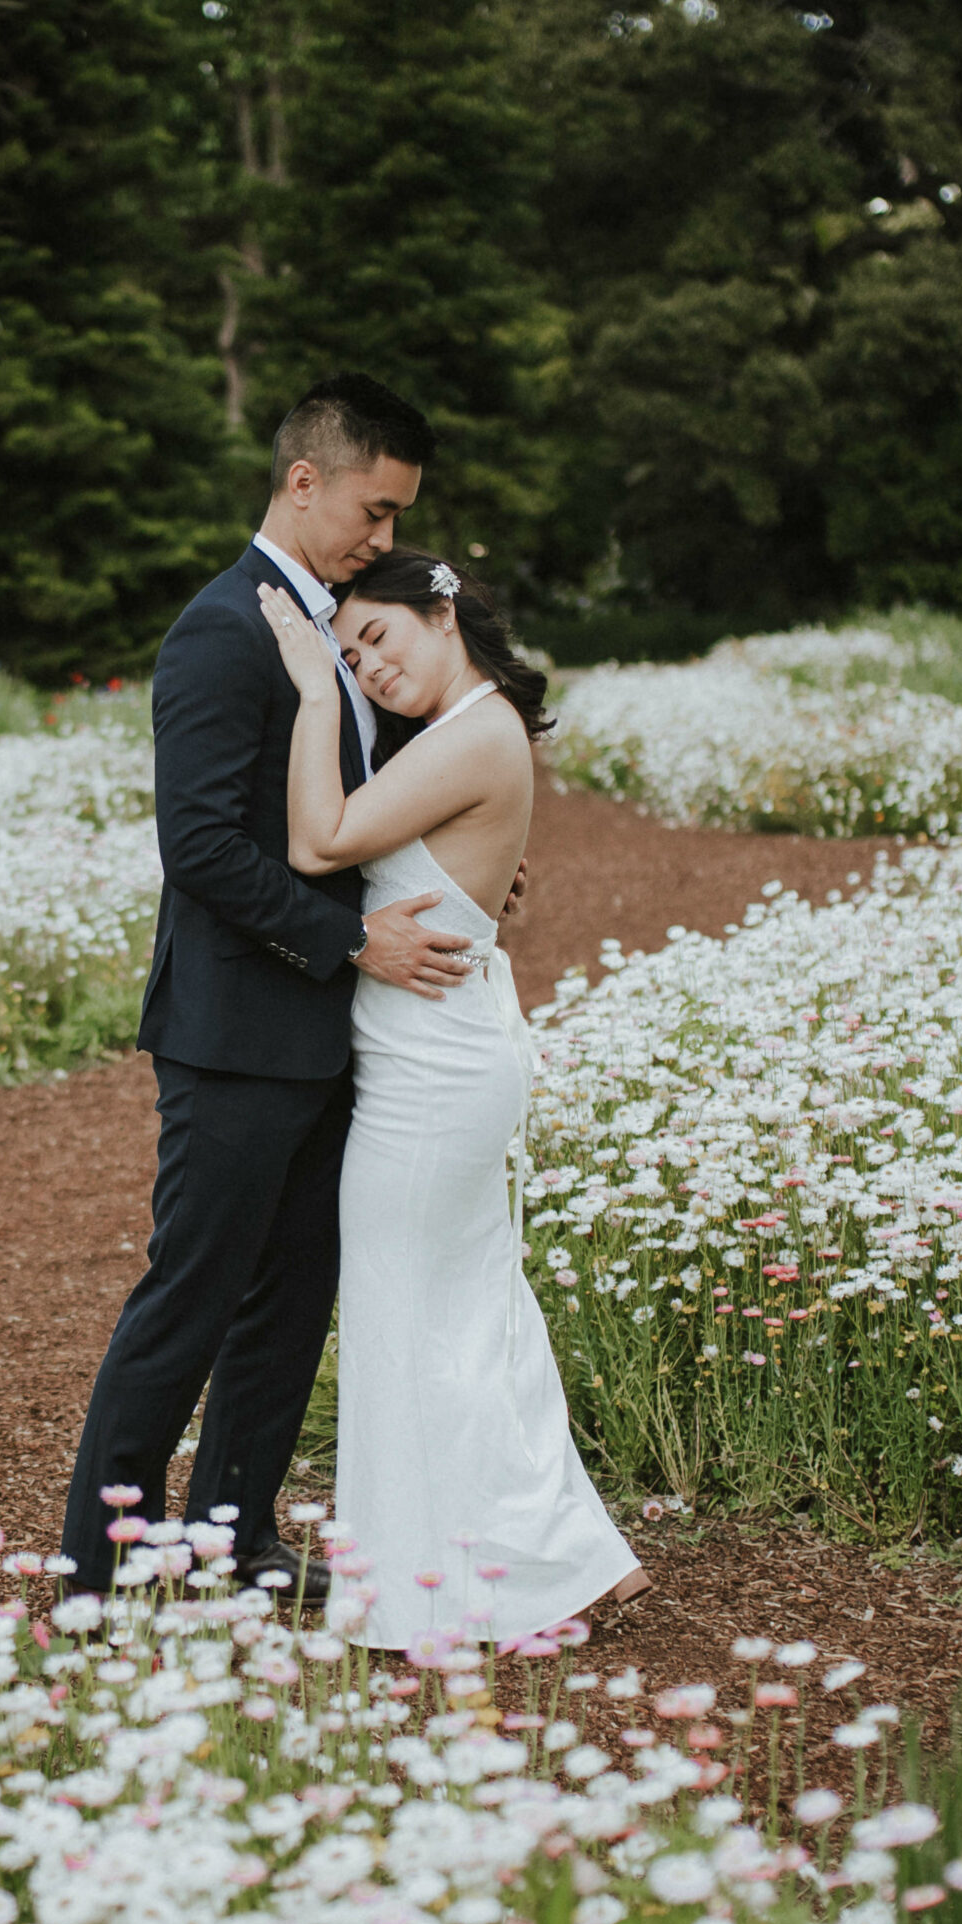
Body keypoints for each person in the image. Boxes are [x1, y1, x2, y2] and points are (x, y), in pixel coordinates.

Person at [60, 374, 499, 1596]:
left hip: (329, 1037)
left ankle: (234, 1543)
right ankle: (99, 1571)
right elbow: (199, 850)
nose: (385, 541)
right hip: (236, 1033)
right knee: (189, 1300)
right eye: (374, 509)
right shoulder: (219, 630)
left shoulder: (342, 631)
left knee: (287, 1308)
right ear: (303, 481)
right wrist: (357, 944)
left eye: (400, 519)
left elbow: (353, 818)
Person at [257, 546, 649, 1646]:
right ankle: (572, 1552)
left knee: (406, 1315)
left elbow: (318, 838)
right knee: (472, 1306)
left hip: (431, 1072)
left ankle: (436, 1584)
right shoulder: (473, 731)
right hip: (443, 1050)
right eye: (346, 659)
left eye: (375, 640)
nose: (366, 670)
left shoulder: (474, 730)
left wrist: (303, 690)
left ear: (441, 614)